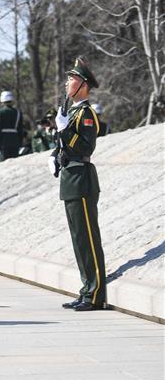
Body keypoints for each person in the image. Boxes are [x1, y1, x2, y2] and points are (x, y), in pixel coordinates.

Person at [52, 58, 107, 311]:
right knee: (78, 239)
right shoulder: (71, 111)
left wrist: (64, 131)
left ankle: (95, 294)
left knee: (88, 237)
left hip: (82, 179)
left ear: (83, 85)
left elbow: (86, 147)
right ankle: (86, 289)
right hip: (70, 178)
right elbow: (66, 146)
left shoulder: (86, 113)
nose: (67, 82)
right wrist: (55, 157)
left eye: (71, 78)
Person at [0, 91, 26, 160]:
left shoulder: (0, 112)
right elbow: (20, 129)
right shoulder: (18, 112)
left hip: (3, 141)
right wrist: (20, 143)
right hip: (15, 141)